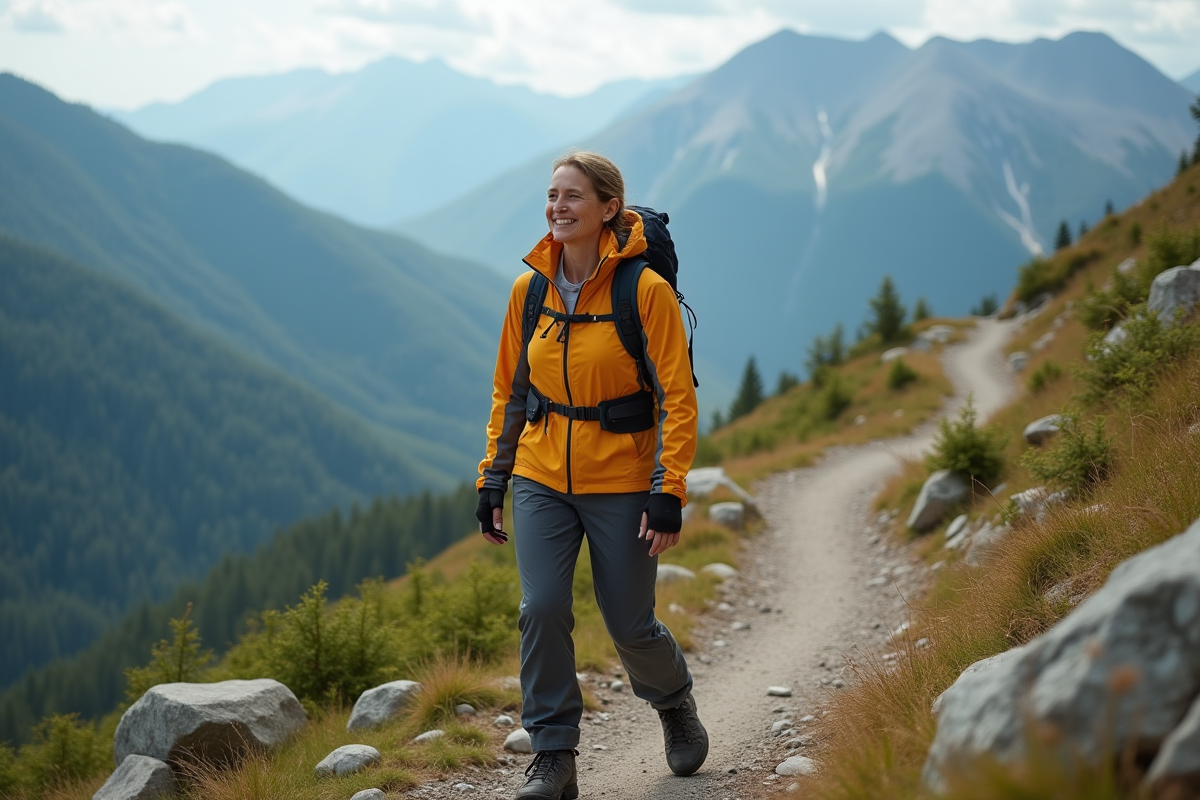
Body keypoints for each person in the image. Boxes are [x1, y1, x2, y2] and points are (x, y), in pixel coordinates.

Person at [476, 150, 707, 799]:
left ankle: (673, 703)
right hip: (542, 475)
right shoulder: (529, 293)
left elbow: (678, 397)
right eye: (552, 196)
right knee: (541, 608)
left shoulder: (644, 291)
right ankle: (553, 756)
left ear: (609, 208)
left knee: (629, 622)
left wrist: (669, 490)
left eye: (572, 196)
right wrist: (492, 478)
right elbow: (509, 392)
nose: (557, 208)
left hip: (623, 479)